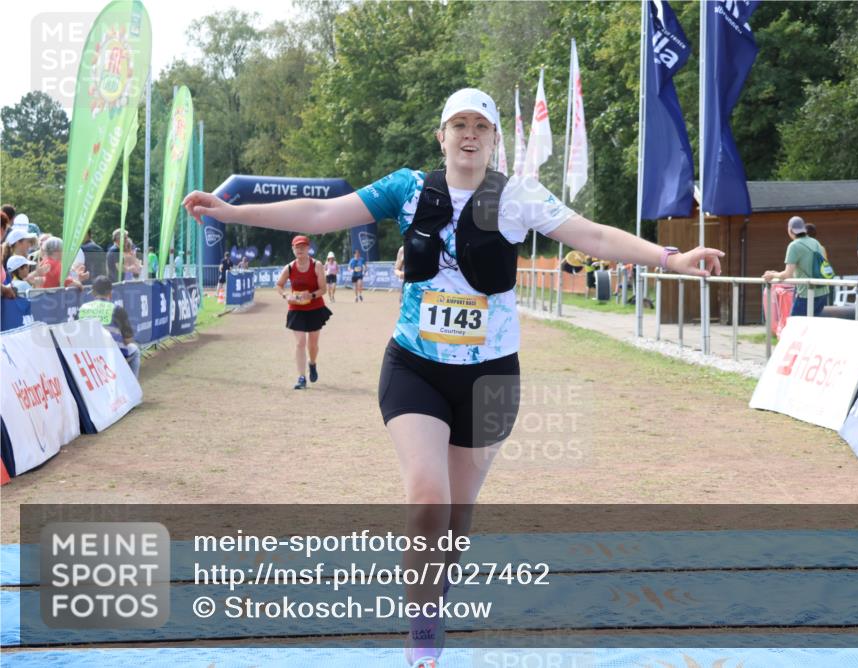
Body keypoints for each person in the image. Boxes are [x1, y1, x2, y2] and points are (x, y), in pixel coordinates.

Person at [183, 87, 723, 668]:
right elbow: (320, 214)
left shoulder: (517, 196)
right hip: (415, 368)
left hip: (491, 378)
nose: (469, 134)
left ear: (493, 139)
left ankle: (433, 596)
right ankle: (421, 635)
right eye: (459, 124)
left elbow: (591, 235)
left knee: (458, 514)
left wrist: (670, 259)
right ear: (441, 136)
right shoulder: (407, 189)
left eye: (481, 127)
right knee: (428, 496)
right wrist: (230, 211)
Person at [275, 235, 331, 389]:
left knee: (313, 344)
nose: (300, 250)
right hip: (296, 309)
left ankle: (312, 363)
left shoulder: (316, 265)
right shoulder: (289, 268)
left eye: (303, 247)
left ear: (308, 249)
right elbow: (279, 285)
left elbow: (323, 289)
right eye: (297, 247)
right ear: (293, 249)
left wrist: (311, 295)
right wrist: (286, 295)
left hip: (315, 308)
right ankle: (301, 377)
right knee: (300, 343)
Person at [762, 215, 829, 317]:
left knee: (794, 324)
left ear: (790, 230)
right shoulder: (815, 242)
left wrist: (773, 275)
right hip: (823, 292)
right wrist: (776, 273)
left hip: (806, 294)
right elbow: (802, 272)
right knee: (810, 325)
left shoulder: (794, 245)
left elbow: (787, 274)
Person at [78, 275, 141, 378]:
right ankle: (131, 385)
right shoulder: (117, 310)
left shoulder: (82, 309)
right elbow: (128, 340)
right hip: (111, 356)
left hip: (87, 355)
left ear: (93, 293)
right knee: (135, 350)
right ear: (110, 293)